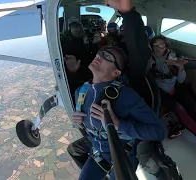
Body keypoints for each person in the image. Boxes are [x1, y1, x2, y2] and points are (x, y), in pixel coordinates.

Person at [72, 45, 167, 180]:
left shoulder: (125, 96)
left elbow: (159, 131)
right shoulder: (80, 93)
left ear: (116, 73)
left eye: (108, 57)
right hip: (99, 153)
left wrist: (118, 124)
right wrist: (77, 118)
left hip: (124, 155)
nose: (99, 56)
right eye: (100, 53)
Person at [61, 21, 95, 102]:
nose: (81, 31)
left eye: (82, 29)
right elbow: (88, 58)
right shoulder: (69, 45)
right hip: (82, 76)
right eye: (77, 30)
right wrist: (94, 45)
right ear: (70, 32)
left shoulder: (81, 40)